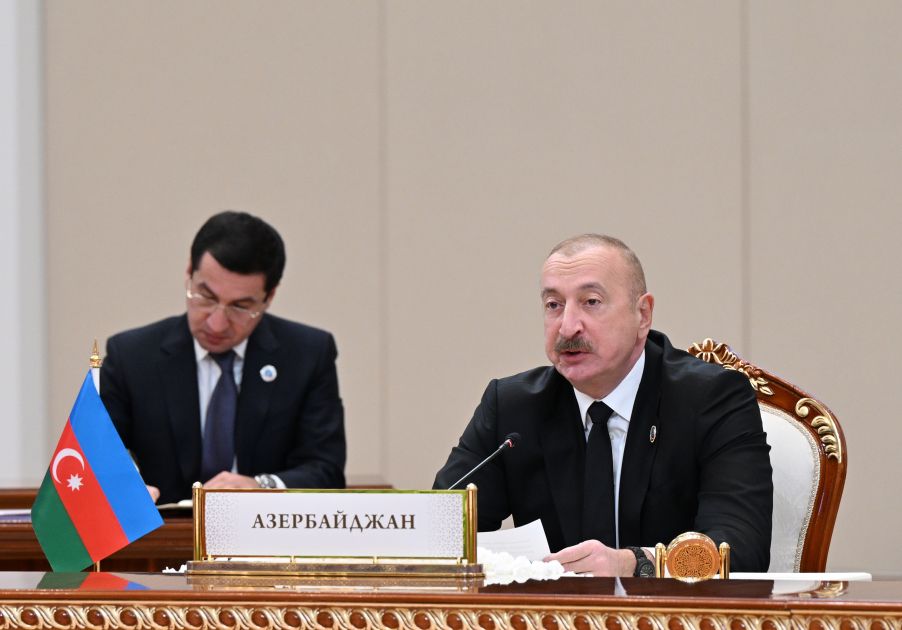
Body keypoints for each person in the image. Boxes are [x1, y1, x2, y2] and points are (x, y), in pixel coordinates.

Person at [434, 234, 772, 576]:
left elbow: (739, 548)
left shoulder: (711, 399)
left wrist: (634, 564)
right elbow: (439, 535)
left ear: (643, 314)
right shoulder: (512, 406)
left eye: (591, 302)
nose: (567, 326)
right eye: (553, 305)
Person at [101, 211, 346, 504]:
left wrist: (262, 486)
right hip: (162, 529)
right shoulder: (131, 357)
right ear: (189, 273)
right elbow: (98, 459)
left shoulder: (308, 354)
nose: (217, 324)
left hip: (261, 530)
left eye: (240, 307)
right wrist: (125, 487)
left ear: (269, 297)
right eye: (206, 297)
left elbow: (326, 470)